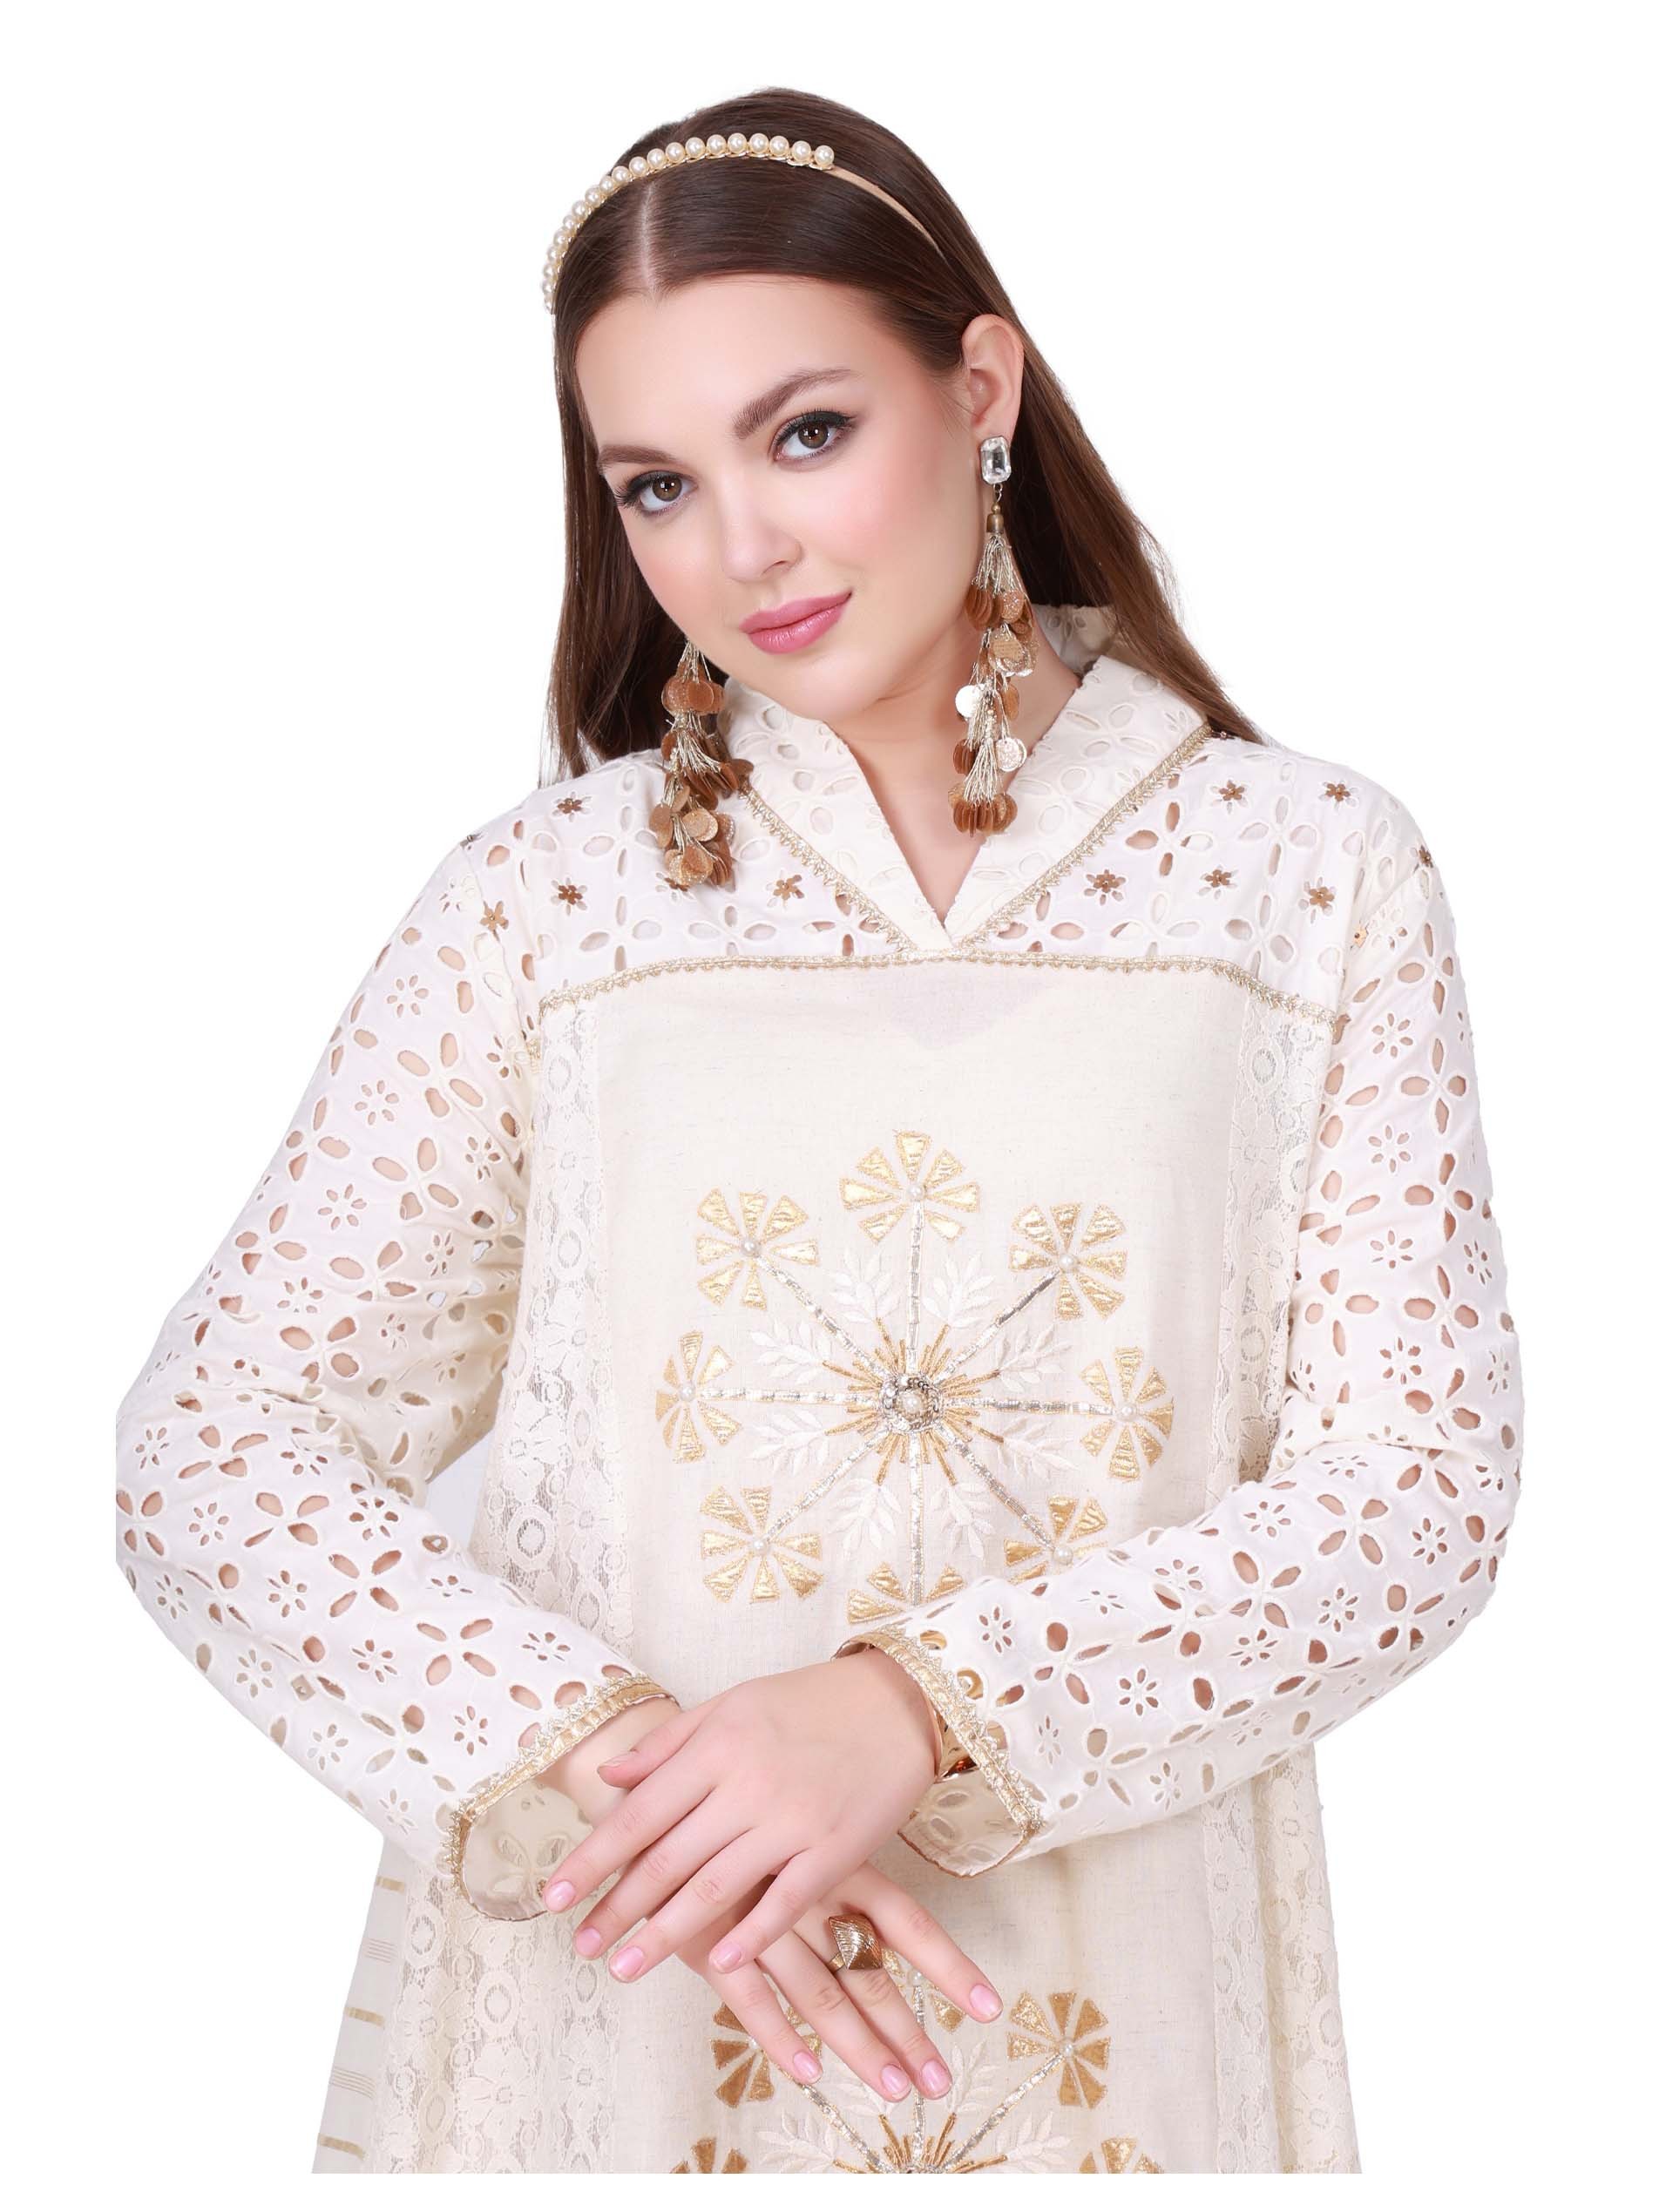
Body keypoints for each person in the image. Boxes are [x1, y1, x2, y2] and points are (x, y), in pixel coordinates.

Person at [114, 88, 1524, 2175]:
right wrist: (627, 1772)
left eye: (805, 434)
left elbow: (1416, 1490)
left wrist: (916, 1708)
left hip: (1111, 2022)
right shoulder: (549, 908)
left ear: (980, 388)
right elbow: (213, 1449)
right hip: (629, 1991)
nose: (741, 552)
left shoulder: (1298, 874)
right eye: (657, 485)